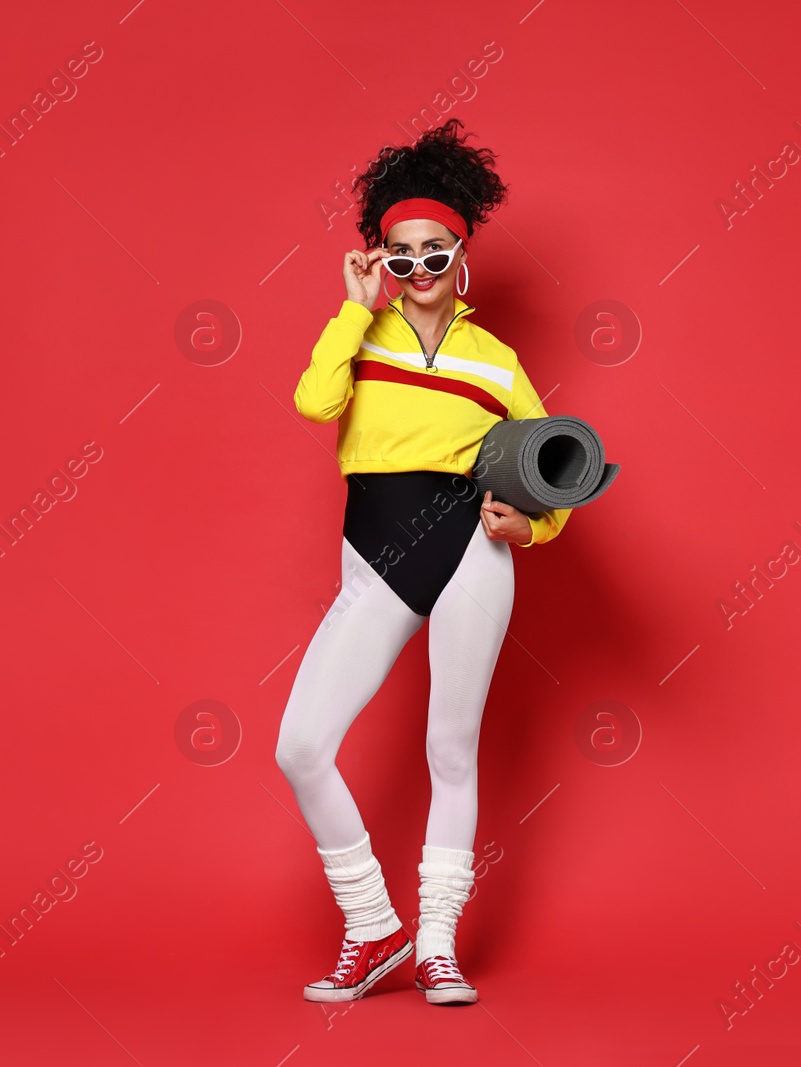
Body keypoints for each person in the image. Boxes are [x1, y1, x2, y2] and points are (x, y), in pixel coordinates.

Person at [275, 119, 570, 1007]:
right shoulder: (359, 334)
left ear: (460, 254)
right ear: (377, 261)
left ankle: (438, 945)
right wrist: (351, 308)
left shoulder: (499, 362)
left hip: (474, 554)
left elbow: (552, 479)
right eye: (398, 256)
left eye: (433, 253)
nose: (418, 271)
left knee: (451, 747)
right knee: (301, 747)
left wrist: (530, 529)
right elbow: (312, 401)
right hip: (376, 556)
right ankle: (373, 926)